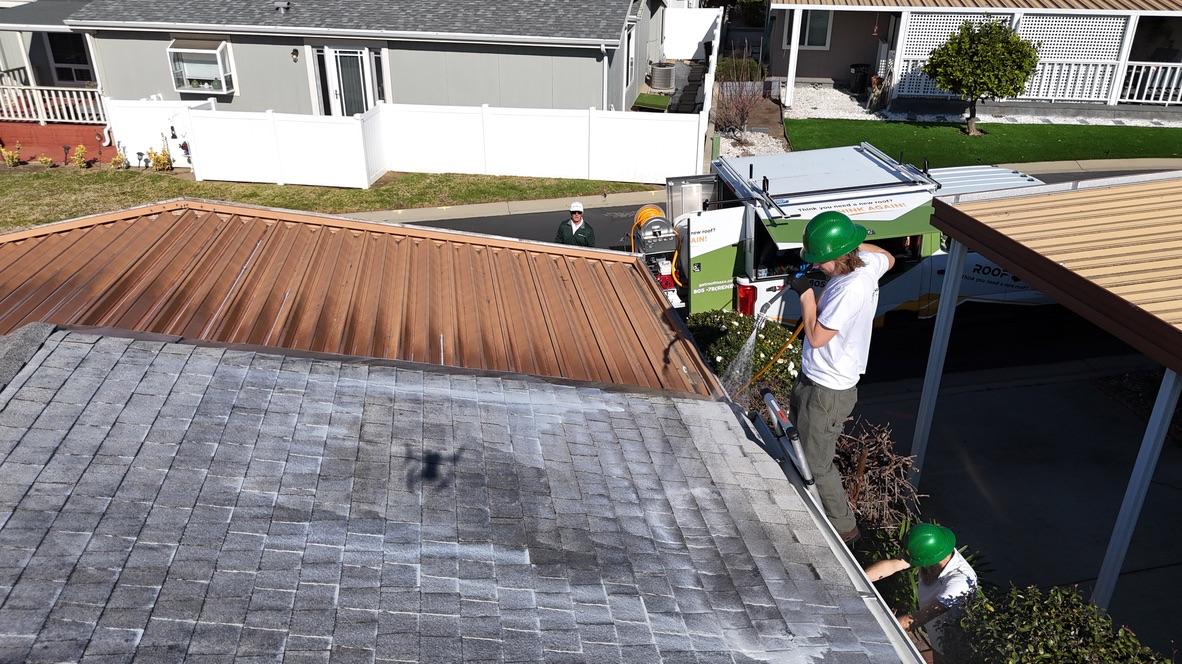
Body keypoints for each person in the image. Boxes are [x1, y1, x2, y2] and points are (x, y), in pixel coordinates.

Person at [786, 211, 894, 544]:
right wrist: (855, 245)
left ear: (836, 257)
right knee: (800, 448)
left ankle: (846, 532)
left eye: (820, 262)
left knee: (817, 463)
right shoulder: (865, 262)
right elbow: (888, 258)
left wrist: (804, 294)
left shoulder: (848, 289)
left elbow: (817, 337)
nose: (816, 266)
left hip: (826, 389)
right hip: (820, 380)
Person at [864, 524, 978, 662]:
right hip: (936, 635)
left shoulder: (959, 583)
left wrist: (873, 633)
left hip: (951, 644)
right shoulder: (933, 552)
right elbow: (893, 565)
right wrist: (855, 579)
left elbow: (917, 619)